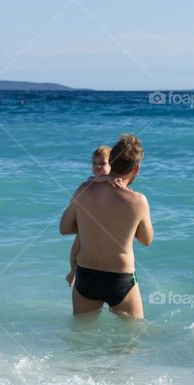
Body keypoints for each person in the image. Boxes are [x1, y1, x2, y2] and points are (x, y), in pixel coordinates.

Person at [60, 134, 153, 319]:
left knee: (81, 338)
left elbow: (65, 228)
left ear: (110, 161)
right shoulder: (138, 201)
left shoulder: (84, 189)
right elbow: (146, 240)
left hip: (86, 274)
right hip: (120, 279)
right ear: (136, 169)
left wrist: (91, 225)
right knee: (131, 341)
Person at [66, 145, 111, 287]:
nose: (97, 167)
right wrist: (105, 179)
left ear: (112, 165)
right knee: (75, 251)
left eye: (102, 163)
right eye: (94, 163)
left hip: (104, 226)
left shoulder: (114, 181)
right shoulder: (92, 180)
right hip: (86, 223)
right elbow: (93, 180)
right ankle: (73, 271)